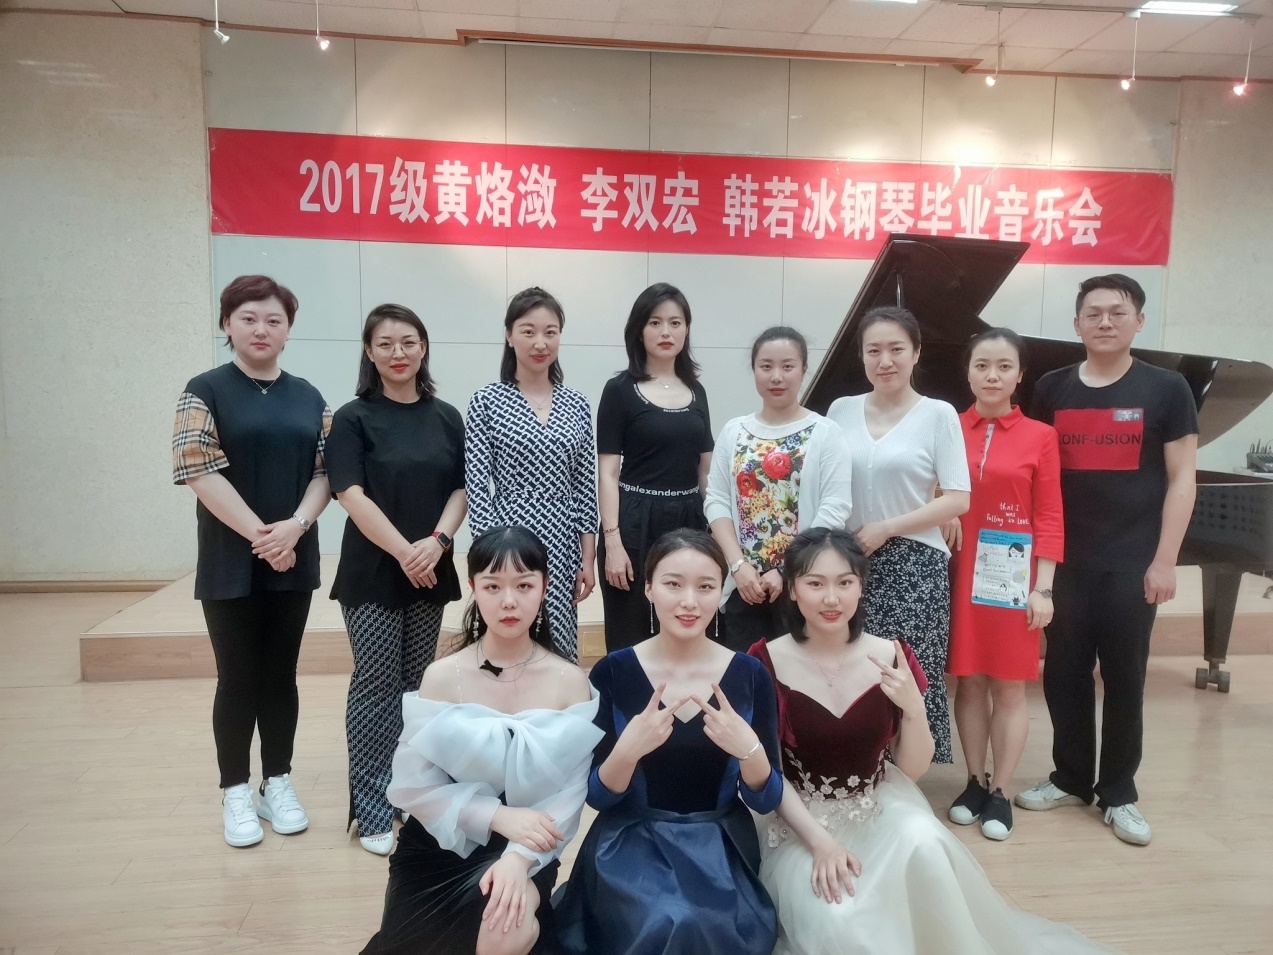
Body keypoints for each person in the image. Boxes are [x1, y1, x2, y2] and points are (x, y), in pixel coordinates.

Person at [749, 527, 1115, 955]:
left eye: (845, 582)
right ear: (793, 589)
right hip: (800, 822)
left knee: (927, 844)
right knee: (840, 919)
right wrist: (821, 844)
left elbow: (911, 768)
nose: (832, 598)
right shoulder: (764, 662)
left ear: (861, 586)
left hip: (878, 807)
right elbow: (769, 776)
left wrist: (913, 708)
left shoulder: (891, 655)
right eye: (815, 584)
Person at [1016, 275, 1198, 847]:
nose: (1104, 322)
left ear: (1138, 321)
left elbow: (1183, 479)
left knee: (1124, 679)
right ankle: (1070, 777)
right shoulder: (1052, 388)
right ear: (1076, 325)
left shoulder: (1167, 389)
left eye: (1117, 312)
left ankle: (1118, 791)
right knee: (1063, 674)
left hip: (1132, 561)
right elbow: (1033, 473)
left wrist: (1165, 560)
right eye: (1092, 313)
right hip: (1063, 562)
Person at [361, 526, 600, 955]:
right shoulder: (442, 675)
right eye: (493, 586)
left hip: (527, 847)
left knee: (504, 929)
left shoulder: (569, 681)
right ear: (473, 588)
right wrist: (496, 815)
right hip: (439, 840)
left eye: (524, 585)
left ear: (544, 587)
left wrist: (518, 860)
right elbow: (412, 787)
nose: (509, 601)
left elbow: (569, 796)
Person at [554, 529, 784, 955]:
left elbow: (767, 798)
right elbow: (598, 796)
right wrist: (628, 751)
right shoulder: (613, 671)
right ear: (649, 588)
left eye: (705, 587)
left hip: (720, 847)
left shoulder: (750, 674)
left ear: (721, 591)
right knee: (670, 919)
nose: (689, 602)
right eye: (673, 584)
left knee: (696, 920)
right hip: (630, 845)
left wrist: (748, 749)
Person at [171, 274, 331, 848]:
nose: (261, 329)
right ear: (227, 324)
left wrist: (296, 528)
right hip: (230, 560)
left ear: (288, 330)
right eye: (248, 318)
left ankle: (277, 781)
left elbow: (328, 472)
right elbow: (196, 468)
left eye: (273, 320)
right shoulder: (204, 389)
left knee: (281, 674)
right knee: (237, 676)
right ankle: (235, 790)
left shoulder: (309, 396)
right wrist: (263, 536)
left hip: (294, 555)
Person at [326, 304, 468, 856]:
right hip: (373, 570)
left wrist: (437, 542)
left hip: (431, 565)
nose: (398, 353)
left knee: (416, 686)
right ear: (369, 352)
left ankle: (408, 792)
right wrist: (406, 551)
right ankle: (370, 807)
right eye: (385, 344)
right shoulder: (352, 417)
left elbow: (461, 488)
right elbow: (349, 493)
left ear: (424, 347)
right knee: (376, 683)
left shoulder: (446, 416)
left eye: (408, 342)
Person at [826, 306, 970, 763]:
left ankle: (904, 778)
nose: (884, 360)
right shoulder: (840, 410)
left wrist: (887, 528)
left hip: (913, 563)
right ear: (862, 356)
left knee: (903, 672)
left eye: (896, 349)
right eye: (874, 351)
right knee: (849, 668)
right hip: (847, 561)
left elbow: (958, 499)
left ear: (916, 353)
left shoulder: (938, 414)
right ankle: (855, 770)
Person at [942, 328, 1064, 842]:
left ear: (1020, 375)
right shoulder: (946, 425)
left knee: (1009, 685)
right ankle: (973, 781)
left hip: (1012, 579)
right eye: (982, 366)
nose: (992, 376)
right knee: (968, 680)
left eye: (1004, 367)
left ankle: (1001, 791)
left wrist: (1044, 587)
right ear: (968, 372)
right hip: (957, 570)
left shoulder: (1041, 436)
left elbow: (1050, 514)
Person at [466, 288, 599, 662]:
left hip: (562, 537)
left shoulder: (576, 403)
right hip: (506, 534)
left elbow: (584, 486)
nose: (540, 343)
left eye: (550, 332)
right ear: (509, 335)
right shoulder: (486, 400)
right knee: (508, 631)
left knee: (558, 641)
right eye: (528, 331)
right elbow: (476, 485)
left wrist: (587, 558)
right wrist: (489, 552)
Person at [706, 326, 853, 651]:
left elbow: (835, 509)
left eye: (787, 366)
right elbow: (716, 501)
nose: (776, 376)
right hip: (744, 584)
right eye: (766, 366)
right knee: (746, 674)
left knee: (799, 675)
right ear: (754, 370)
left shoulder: (826, 432)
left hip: (804, 583)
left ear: (803, 369)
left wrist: (786, 569)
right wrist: (738, 566)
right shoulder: (734, 431)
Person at [597, 283, 714, 652]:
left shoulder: (697, 390)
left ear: (687, 329)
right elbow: (607, 473)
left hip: (689, 519)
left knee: (688, 625)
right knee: (631, 632)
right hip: (633, 521)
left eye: (675, 323)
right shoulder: (619, 390)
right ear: (639, 330)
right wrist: (612, 541)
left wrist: (717, 531)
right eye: (655, 322)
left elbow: (705, 472)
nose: (666, 332)